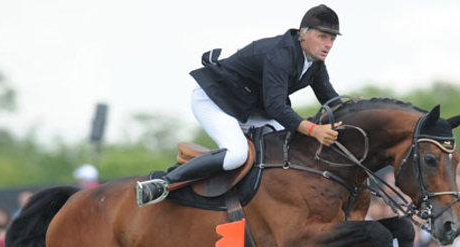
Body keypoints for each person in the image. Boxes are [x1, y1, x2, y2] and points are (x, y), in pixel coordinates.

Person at [136, 4, 344, 206]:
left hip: (249, 107)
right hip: (215, 100)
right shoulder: (280, 54)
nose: (328, 44)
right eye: (322, 37)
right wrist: (313, 129)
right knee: (237, 154)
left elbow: (331, 100)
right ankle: (163, 183)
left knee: (295, 146)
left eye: (332, 39)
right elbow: (276, 108)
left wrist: (357, 110)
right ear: (303, 33)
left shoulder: (314, 63)